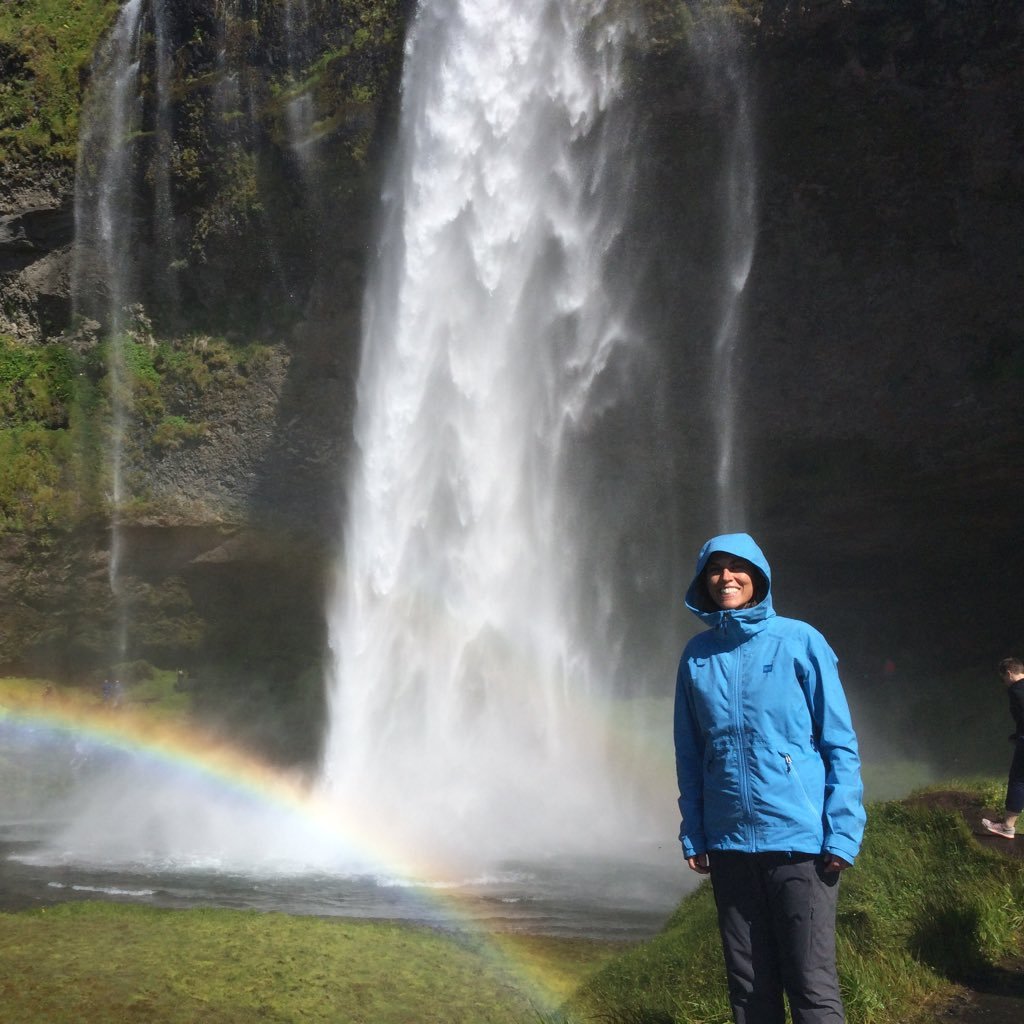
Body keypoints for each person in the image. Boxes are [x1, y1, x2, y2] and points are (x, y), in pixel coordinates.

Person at [674, 533, 866, 1024]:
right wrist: (694, 830)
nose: (726, 577)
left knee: (811, 984)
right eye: (715, 568)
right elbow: (691, 754)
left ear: (758, 575)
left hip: (800, 842)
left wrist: (843, 830)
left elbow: (838, 742)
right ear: (703, 579)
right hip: (731, 844)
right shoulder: (696, 656)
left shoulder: (800, 641)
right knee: (749, 990)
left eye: (738, 566)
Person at [980, 656, 1024, 839]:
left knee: (1018, 779)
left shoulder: (1016, 689)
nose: (1004, 683)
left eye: (1003, 679)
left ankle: (1007, 827)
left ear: (1008, 673)